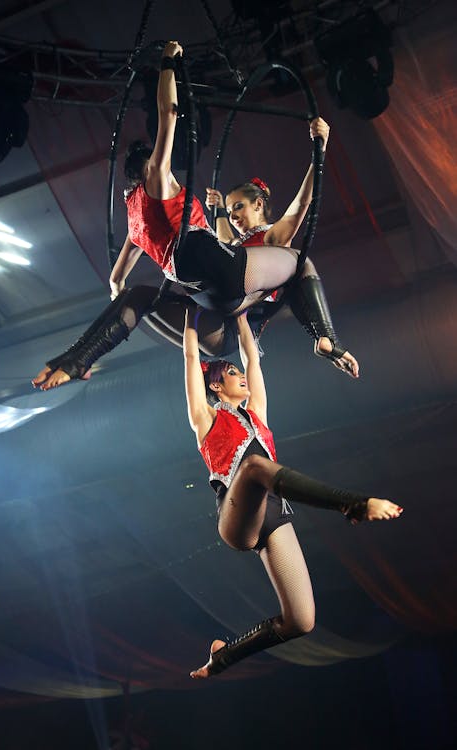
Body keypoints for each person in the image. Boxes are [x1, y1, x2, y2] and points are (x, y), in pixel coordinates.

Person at [32, 40, 312, 390]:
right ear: (151, 167)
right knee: (298, 262)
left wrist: (126, 298)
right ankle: (325, 336)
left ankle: (75, 360)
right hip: (221, 292)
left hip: (208, 317)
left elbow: (117, 283)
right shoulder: (159, 179)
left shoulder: (135, 217)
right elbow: (168, 115)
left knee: (139, 297)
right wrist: (168, 62)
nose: (175, 177)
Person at [183, 306, 402, 677]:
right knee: (253, 467)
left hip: (274, 513)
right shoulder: (205, 419)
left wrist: (240, 311)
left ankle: (222, 658)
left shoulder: (259, 414)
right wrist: (191, 311)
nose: (242, 374)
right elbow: (190, 355)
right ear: (216, 385)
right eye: (232, 373)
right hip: (236, 518)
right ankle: (352, 505)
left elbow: (252, 355)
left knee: (301, 621)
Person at [205, 118, 359, 377]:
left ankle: (325, 337)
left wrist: (318, 154)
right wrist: (220, 209)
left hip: (251, 305)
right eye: (231, 212)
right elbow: (224, 239)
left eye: (239, 207)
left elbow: (302, 203)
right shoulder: (237, 244)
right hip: (232, 305)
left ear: (258, 205)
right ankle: (324, 338)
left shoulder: (272, 236)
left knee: (297, 262)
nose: (233, 216)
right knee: (224, 250)